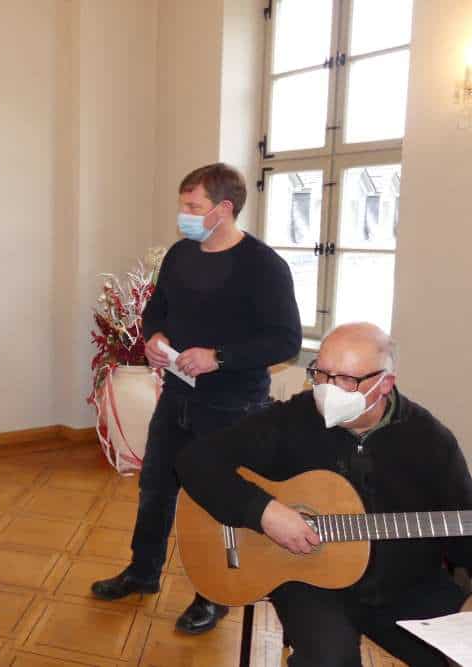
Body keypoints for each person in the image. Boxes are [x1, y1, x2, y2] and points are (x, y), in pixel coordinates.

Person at [177, 323, 472, 665]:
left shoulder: (430, 441)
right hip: (310, 581)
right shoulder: (293, 418)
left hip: (405, 586)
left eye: (346, 379)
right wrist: (264, 512)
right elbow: (195, 460)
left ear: (384, 384)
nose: (328, 390)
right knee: (329, 660)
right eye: (320, 373)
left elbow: (464, 530)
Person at [91, 163, 302, 634]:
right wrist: (155, 337)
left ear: (223, 209)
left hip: (233, 406)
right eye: (183, 204)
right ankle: (142, 572)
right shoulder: (181, 254)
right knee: (155, 488)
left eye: (193, 206)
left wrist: (218, 357)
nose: (183, 214)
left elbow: (286, 340)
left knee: (216, 500)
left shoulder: (264, 266)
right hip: (176, 398)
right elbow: (157, 310)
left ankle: (213, 593)